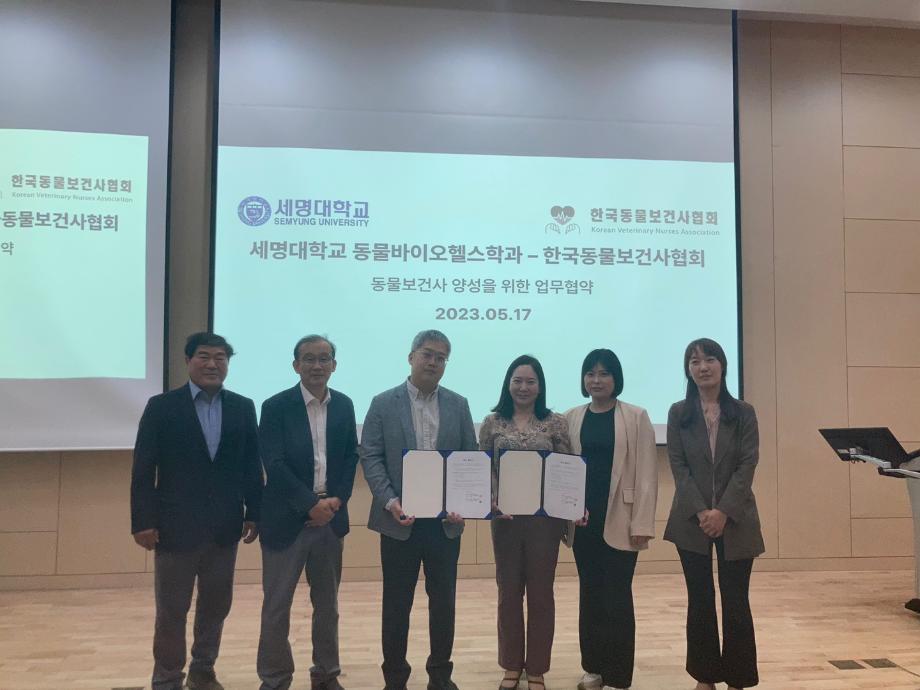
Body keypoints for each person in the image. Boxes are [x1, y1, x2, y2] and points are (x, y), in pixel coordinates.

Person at [130, 332, 263, 690]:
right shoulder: (162, 407)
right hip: (175, 527)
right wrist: (142, 521)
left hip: (225, 526)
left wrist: (255, 512)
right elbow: (143, 468)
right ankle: (167, 677)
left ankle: (203, 670)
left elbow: (251, 464)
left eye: (220, 358)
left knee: (216, 606)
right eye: (204, 356)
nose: (212, 364)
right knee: (172, 609)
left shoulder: (242, 406)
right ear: (188, 361)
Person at [360, 329, 477, 690]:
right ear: (411, 357)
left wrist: (462, 503)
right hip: (399, 520)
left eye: (441, 357)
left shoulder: (458, 404)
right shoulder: (383, 403)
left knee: (443, 605)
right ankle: (395, 678)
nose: (433, 362)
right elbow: (371, 456)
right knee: (397, 605)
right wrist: (389, 501)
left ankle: (440, 676)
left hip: (444, 524)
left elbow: (469, 459)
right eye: (427, 354)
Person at [256, 335, 359, 690]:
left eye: (324, 358)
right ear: (296, 365)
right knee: (277, 606)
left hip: (330, 519)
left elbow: (350, 457)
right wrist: (309, 505)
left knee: (327, 605)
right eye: (309, 359)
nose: (317, 365)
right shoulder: (275, 406)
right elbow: (274, 463)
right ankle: (275, 678)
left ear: (334, 365)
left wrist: (336, 500)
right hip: (286, 519)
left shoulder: (344, 405)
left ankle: (326, 674)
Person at [663, 338, 764, 690]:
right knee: (700, 599)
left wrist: (722, 511)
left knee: (735, 600)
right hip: (690, 519)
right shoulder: (678, 413)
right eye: (694, 361)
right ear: (688, 370)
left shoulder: (743, 412)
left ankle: (738, 677)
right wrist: (702, 511)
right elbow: (678, 466)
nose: (702, 366)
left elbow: (747, 464)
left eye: (709, 359)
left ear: (722, 365)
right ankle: (705, 676)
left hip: (737, 519)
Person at [564, 349, 657, 690]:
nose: (597, 380)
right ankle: (593, 668)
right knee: (590, 595)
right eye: (590, 373)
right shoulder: (571, 417)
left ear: (616, 378)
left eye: (604, 373)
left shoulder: (635, 416)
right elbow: (563, 472)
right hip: (583, 522)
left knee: (617, 597)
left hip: (621, 519)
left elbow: (647, 474)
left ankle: (617, 676)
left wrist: (642, 524)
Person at [478, 354, 572, 690]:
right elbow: (482, 467)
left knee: (541, 593)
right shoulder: (492, 422)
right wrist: (490, 498)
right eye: (517, 381)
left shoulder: (555, 423)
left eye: (531, 381)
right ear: (508, 384)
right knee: (509, 592)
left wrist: (573, 504)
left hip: (544, 522)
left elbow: (566, 468)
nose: (523, 387)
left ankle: (537, 668)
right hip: (505, 519)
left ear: (540, 386)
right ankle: (511, 665)